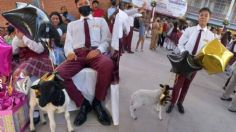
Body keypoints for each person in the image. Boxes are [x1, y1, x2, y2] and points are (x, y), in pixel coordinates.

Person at [56, 0, 114, 126]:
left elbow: (107, 40)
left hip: (95, 53)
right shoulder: (72, 25)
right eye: (80, 4)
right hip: (77, 55)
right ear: (76, 7)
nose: (83, 6)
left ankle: (97, 102)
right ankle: (83, 103)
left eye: (85, 2)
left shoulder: (100, 21)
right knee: (60, 73)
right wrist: (70, 53)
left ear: (90, 4)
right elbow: (68, 44)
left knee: (108, 64)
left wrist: (99, 50)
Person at [166, 7, 215, 114]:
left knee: (186, 84)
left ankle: (180, 102)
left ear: (209, 18)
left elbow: (209, 52)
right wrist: (184, 52)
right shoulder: (190, 30)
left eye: (206, 15)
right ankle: (173, 102)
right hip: (184, 60)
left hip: (196, 63)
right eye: (201, 15)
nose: (203, 17)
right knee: (178, 83)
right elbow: (180, 43)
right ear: (198, 17)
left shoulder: (211, 36)